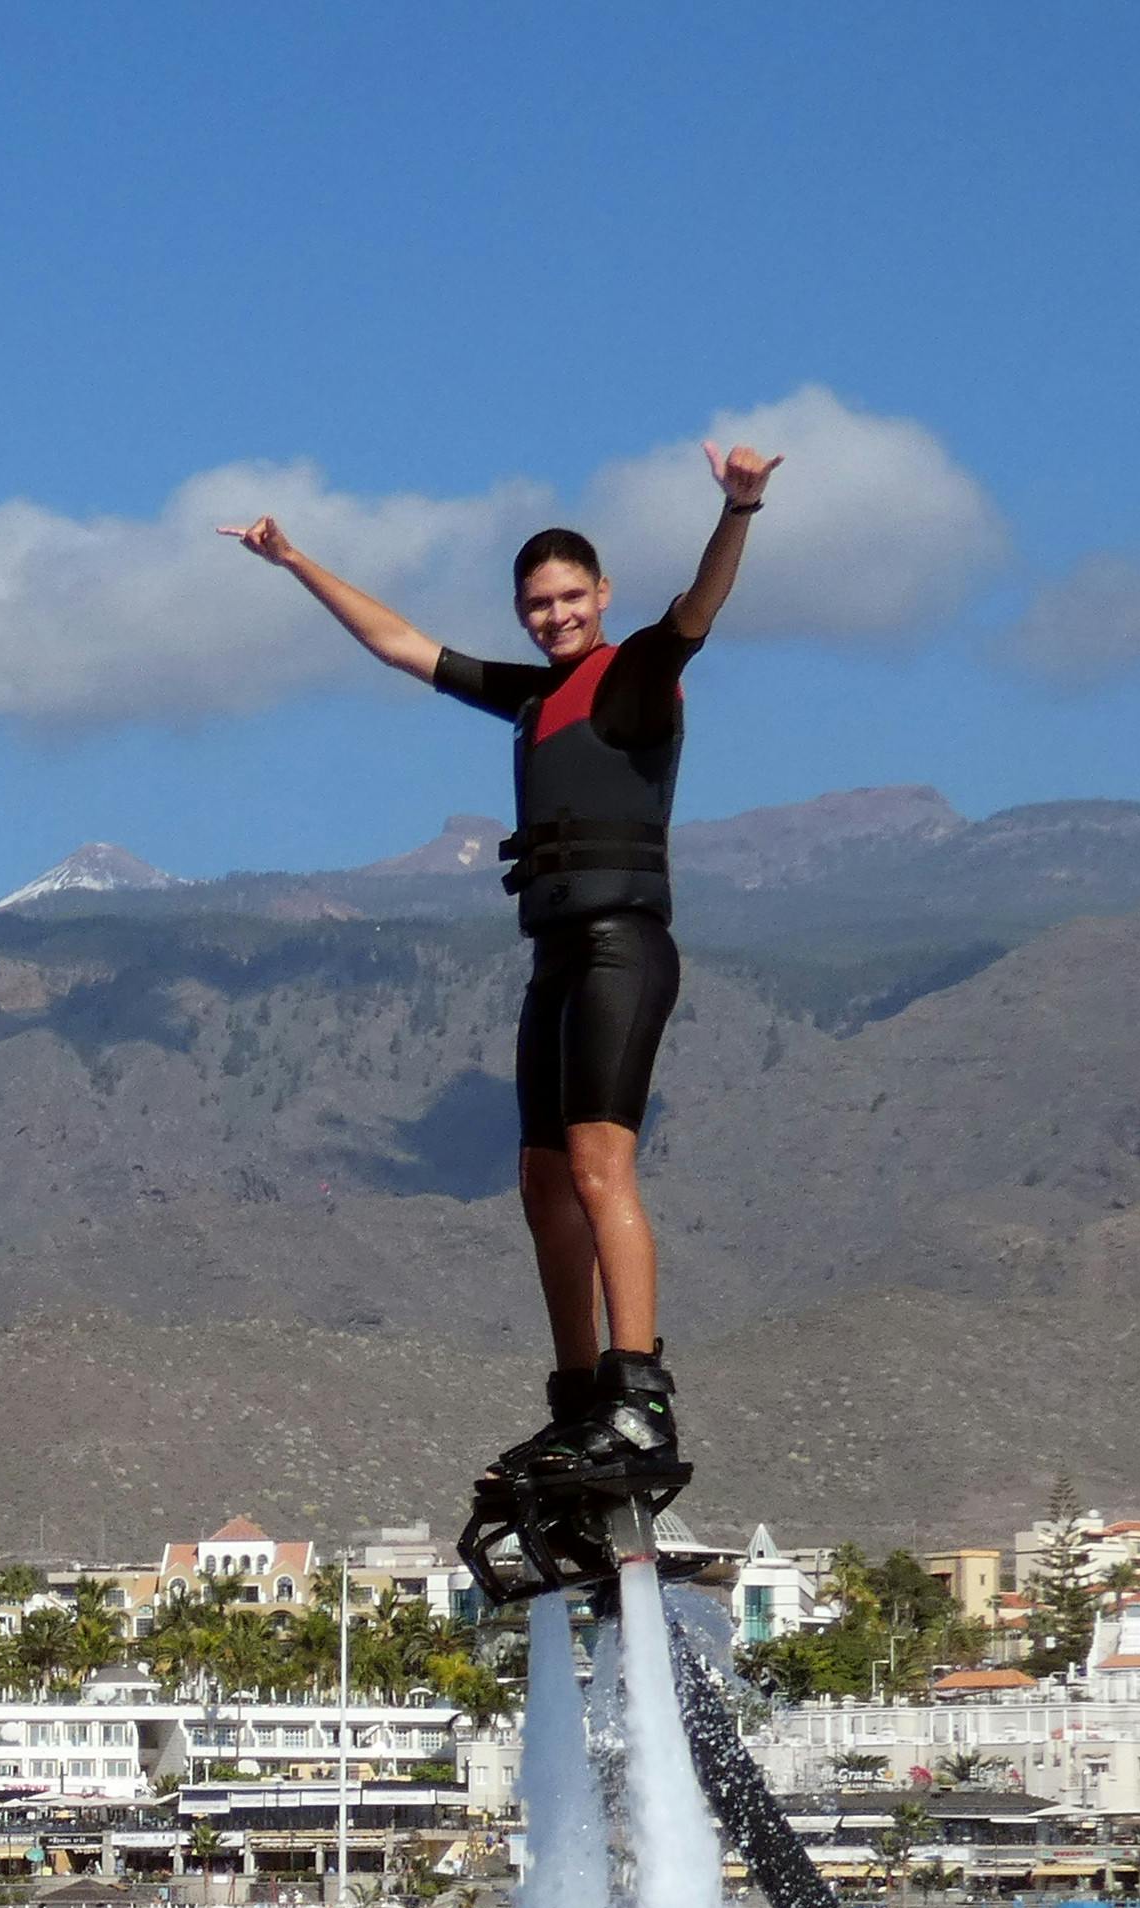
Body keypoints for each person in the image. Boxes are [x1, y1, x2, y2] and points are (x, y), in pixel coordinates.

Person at [226, 441, 781, 1501]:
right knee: (538, 1185)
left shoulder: (640, 671)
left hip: (624, 948)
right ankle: (576, 1405)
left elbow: (700, 604)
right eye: (536, 603)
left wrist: (740, 510)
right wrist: (294, 561)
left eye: (570, 597)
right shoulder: (530, 698)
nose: (554, 616)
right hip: (555, 960)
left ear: (600, 595)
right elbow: (400, 646)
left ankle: (638, 1394)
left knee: (596, 1169)